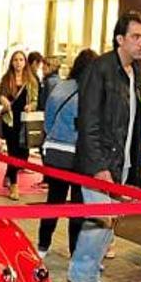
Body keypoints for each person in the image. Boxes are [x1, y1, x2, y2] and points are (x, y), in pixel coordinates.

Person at [67, 10, 141, 282]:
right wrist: (100, 167)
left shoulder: (134, 73)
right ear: (120, 39)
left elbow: (132, 123)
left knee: (108, 226)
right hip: (98, 164)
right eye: (136, 37)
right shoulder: (99, 69)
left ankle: (89, 278)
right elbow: (88, 123)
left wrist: (134, 166)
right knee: (98, 224)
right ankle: (77, 281)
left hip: (121, 162)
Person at [37, 49, 97, 258]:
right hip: (78, 155)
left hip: (55, 152)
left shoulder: (60, 87)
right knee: (78, 206)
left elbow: (48, 121)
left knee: (53, 201)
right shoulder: (90, 92)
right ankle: (75, 251)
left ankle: (42, 247)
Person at [0, 50, 39, 200]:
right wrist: (3, 100)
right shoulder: (6, 78)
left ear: (25, 62)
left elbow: (35, 100)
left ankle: (9, 174)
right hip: (10, 120)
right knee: (12, 152)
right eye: (15, 60)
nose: (18, 63)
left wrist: (31, 106)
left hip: (24, 122)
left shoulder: (31, 80)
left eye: (21, 60)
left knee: (21, 156)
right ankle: (14, 186)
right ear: (11, 62)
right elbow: (0, 95)